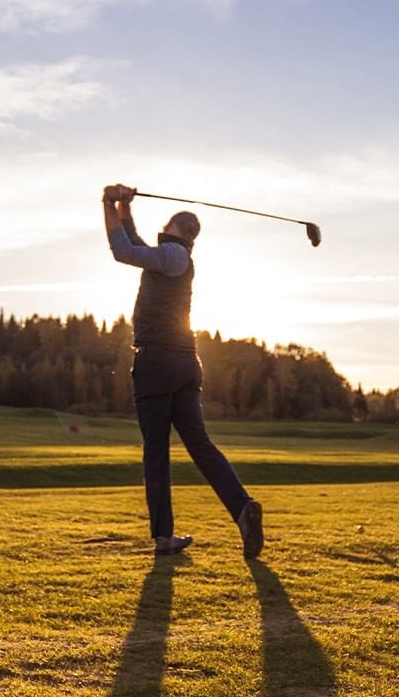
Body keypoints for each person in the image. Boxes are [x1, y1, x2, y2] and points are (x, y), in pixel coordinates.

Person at [103, 183, 264, 558]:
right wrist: (124, 209)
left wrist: (106, 202)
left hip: (157, 363)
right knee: (200, 444)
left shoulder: (173, 255)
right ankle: (241, 509)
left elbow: (123, 251)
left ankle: (163, 536)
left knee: (156, 450)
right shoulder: (173, 256)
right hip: (184, 364)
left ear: (173, 226)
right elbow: (137, 243)